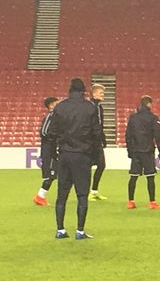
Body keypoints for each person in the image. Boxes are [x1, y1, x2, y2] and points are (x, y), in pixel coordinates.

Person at [48, 78, 102, 239]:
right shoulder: (90, 108)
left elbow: (51, 133)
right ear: (84, 91)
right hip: (82, 156)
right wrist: (94, 156)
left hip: (65, 154)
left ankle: (60, 229)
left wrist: (54, 154)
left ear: (69, 90)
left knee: (62, 195)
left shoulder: (60, 107)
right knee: (82, 195)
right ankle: (80, 231)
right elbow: (96, 134)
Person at [125, 95, 160, 210]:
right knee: (150, 177)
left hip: (136, 151)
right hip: (147, 151)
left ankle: (131, 201)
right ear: (149, 104)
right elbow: (157, 136)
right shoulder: (153, 118)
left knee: (133, 176)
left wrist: (129, 150)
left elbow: (128, 135)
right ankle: (152, 202)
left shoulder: (133, 117)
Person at [33, 96, 60, 206]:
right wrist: (54, 138)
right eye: (56, 103)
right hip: (48, 150)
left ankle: (41, 196)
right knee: (51, 175)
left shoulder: (56, 117)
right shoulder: (50, 116)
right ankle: (40, 197)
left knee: (58, 173)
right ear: (51, 105)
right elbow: (43, 132)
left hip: (53, 150)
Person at [89, 84, 108, 201]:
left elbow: (100, 125)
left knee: (101, 165)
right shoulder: (89, 107)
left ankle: (94, 191)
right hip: (90, 142)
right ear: (94, 94)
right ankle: (85, 192)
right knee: (86, 167)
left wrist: (102, 138)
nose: (103, 95)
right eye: (101, 93)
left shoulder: (99, 107)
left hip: (97, 141)